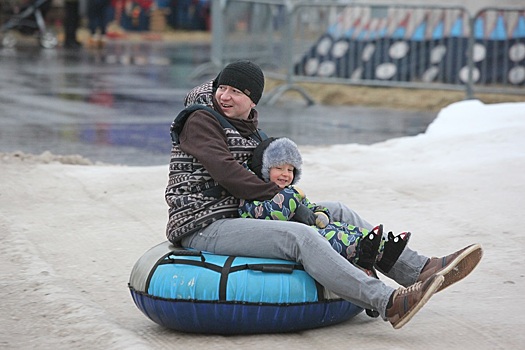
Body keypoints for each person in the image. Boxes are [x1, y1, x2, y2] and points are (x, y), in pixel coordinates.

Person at [165, 60, 483, 329]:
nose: (225, 96)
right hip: (205, 224)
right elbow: (226, 172)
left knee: (338, 211)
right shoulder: (200, 119)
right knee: (301, 237)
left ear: (253, 101)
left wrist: (299, 204)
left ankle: (419, 268)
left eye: (236, 92)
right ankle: (388, 303)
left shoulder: (248, 129)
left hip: (242, 214)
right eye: (223, 88)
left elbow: (265, 175)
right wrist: (284, 198)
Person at [237, 136, 411, 277]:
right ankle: (365, 248)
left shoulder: (285, 190)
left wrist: (320, 213)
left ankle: (383, 246)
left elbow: (308, 206)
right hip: (281, 237)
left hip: (304, 228)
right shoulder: (253, 191)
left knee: (339, 227)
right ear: (263, 168)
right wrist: (294, 194)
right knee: (330, 236)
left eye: (290, 170)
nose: (285, 174)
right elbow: (272, 214)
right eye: (279, 168)